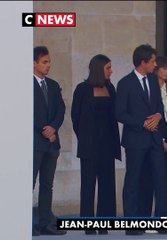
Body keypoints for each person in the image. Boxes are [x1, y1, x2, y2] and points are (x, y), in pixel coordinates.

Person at [115, 44, 167, 235]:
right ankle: (132, 224)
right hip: (135, 140)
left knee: (160, 179)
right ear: (143, 62)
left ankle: (161, 221)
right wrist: (142, 123)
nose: (155, 65)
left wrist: (158, 117)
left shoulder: (154, 82)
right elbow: (119, 113)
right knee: (134, 180)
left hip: (154, 140)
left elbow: (160, 109)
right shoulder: (125, 83)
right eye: (153, 61)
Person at [71, 54, 121, 235]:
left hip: (107, 144)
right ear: (99, 69)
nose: (111, 71)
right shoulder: (82, 89)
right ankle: (88, 223)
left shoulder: (111, 88)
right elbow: (75, 117)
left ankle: (104, 222)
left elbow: (115, 114)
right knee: (88, 184)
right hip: (90, 145)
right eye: (108, 68)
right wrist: (85, 137)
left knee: (107, 184)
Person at [140, 56, 167, 219]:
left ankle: (163, 216)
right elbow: (149, 118)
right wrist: (161, 141)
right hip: (154, 141)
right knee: (150, 180)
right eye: (164, 68)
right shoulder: (149, 90)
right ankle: (146, 217)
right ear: (156, 69)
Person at [33, 46, 66, 236]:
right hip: (35, 142)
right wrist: (43, 130)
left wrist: (53, 128)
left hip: (51, 143)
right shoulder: (25, 84)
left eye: (49, 61)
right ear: (34, 63)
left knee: (47, 185)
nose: (48, 65)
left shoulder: (53, 85)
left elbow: (60, 110)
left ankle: (45, 223)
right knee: (29, 183)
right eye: (44, 62)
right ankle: (28, 222)